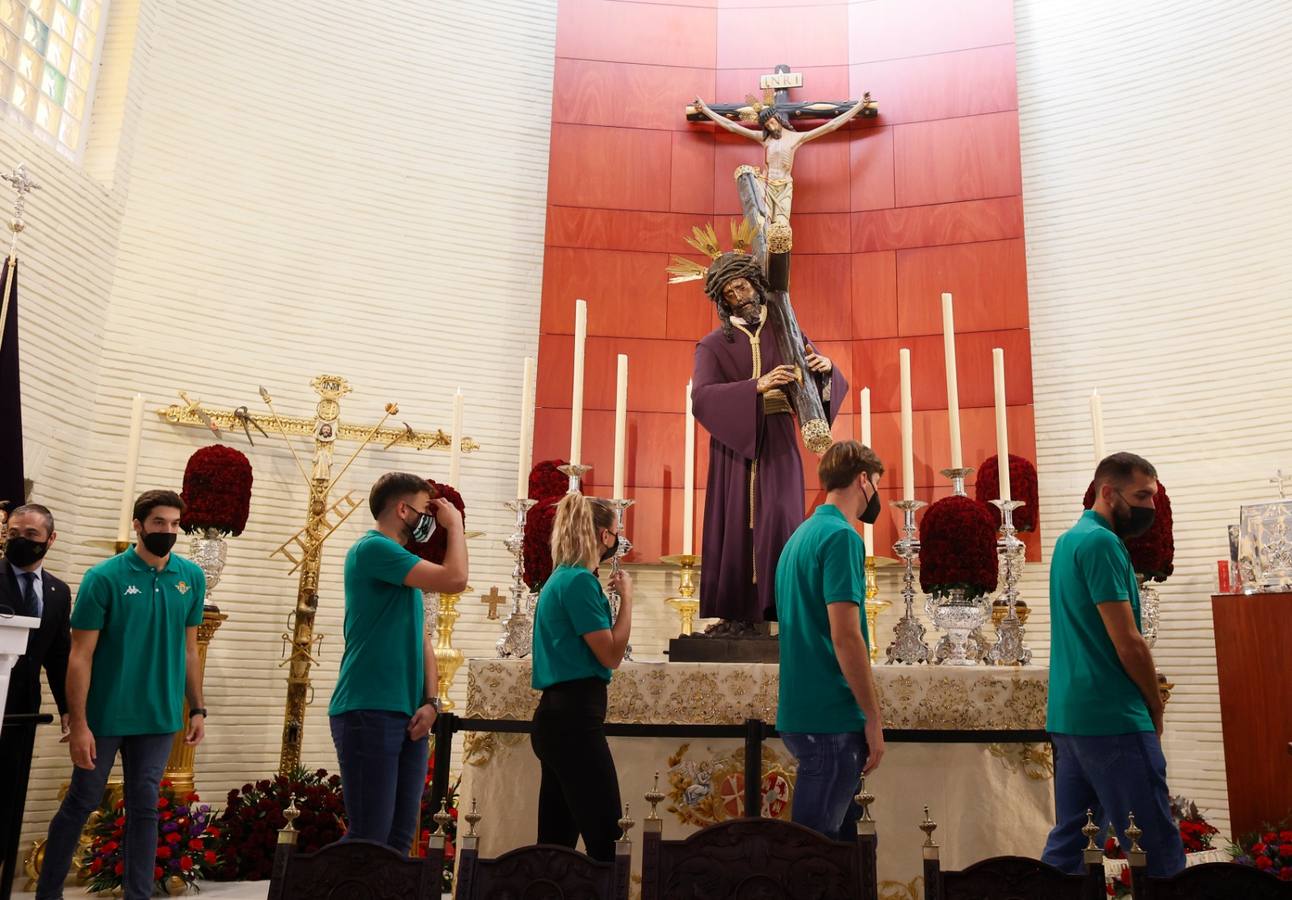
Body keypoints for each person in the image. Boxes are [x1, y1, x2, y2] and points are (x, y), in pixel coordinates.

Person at [36, 490, 207, 900]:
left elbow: (189, 649)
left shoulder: (191, 578)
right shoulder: (104, 578)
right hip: (105, 716)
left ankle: (138, 895)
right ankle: (48, 894)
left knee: (145, 808)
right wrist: (78, 722)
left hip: (159, 717)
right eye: (158, 523)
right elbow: (80, 656)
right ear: (138, 525)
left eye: (173, 524)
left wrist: (197, 708)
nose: (167, 531)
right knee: (82, 801)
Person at [1041, 452, 1185, 877]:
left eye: (1154, 497)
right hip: (1114, 717)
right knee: (1154, 845)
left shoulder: (1070, 540)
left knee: (1071, 849)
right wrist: (1155, 705)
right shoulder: (1103, 543)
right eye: (1142, 495)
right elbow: (1128, 641)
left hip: (1071, 716)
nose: (1151, 508)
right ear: (1107, 492)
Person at [692, 251, 848, 634]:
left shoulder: (786, 330)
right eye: (729, 292)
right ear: (721, 299)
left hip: (779, 441)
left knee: (782, 517)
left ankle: (784, 612)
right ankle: (737, 615)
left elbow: (812, 377)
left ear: (756, 285)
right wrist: (755, 387)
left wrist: (827, 371)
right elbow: (702, 397)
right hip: (734, 447)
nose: (739, 295)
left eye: (742, 285)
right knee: (735, 524)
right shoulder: (712, 346)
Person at [328, 472, 466, 854]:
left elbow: (421, 641)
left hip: (407, 712)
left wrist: (431, 701)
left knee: (399, 839)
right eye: (425, 510)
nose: (431, 520)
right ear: (402, 509)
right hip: (368, 706)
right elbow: (455, 578)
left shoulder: (402, 566)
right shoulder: (372, 549)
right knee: (369, 836)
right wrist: (454, 525)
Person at [775, 440, 886, 841]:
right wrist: (872, 717)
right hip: (831, 717)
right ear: (862, 479)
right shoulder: (842, 538)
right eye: (876, 482)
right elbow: (846, 636)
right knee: (814, 859)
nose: (875, 493)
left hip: (800, 710)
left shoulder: (799, 537)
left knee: (832, 857)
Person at [529, 493, 632, 862]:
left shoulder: (561, 578)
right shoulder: (579, 583)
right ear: (604, 536)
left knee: (556, 843)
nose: (618, 540)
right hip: (574, 721)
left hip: (558, 718)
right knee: (608, 838)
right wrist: (628, 601)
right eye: (616, 533)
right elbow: (611, 654)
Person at [0, 504, 71, 867]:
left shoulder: (58, 591)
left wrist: (68, 710)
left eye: (31, 535)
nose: (21, 541)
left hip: (24, 706)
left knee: (9, 797)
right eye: (14, 533)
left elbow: (59, 657)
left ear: (50, 539)